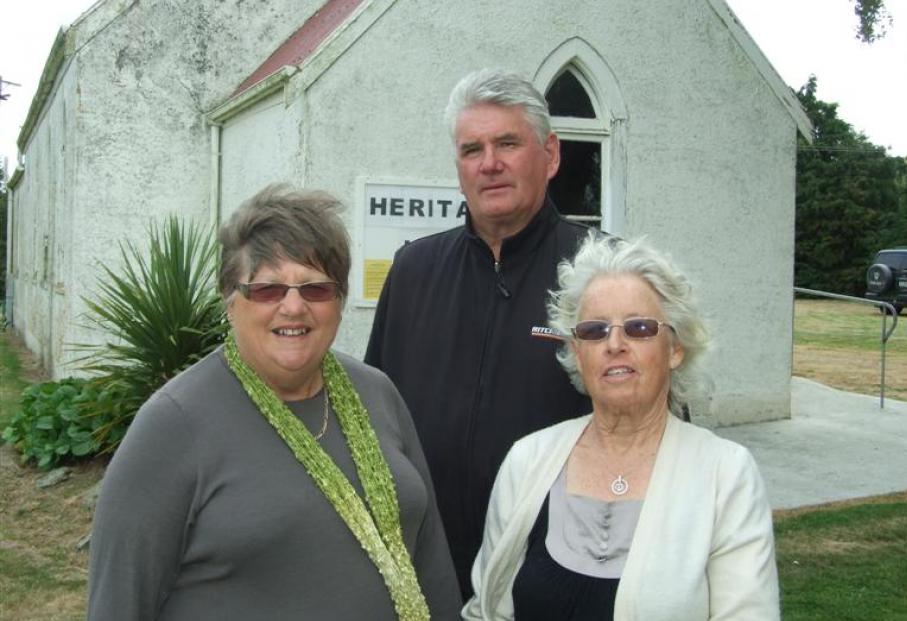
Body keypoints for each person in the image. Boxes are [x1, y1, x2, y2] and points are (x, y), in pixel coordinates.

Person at [88, 185, 461, 620]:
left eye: (315, 288)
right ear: (230, 301)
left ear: (338, 302)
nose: (293, 307)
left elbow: (430, 558)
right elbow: (119, 603)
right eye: (268, 290)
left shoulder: (377, 393)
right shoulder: (174, 424)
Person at [463, 233, 779, 620]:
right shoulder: (527, 460)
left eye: (639, 328)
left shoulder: (726, 475)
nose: (614, 343)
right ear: (578, 354)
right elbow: (486, 611)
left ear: (675, 349)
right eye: (595, 330)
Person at [365, 68, 592, 597]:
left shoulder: (603, 273)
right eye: (472, 149)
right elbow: (373, 421)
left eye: (507, 143)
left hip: (555, 574)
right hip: (427, 573)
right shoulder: (414, 272)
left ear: (551, 154)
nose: (489, 163)